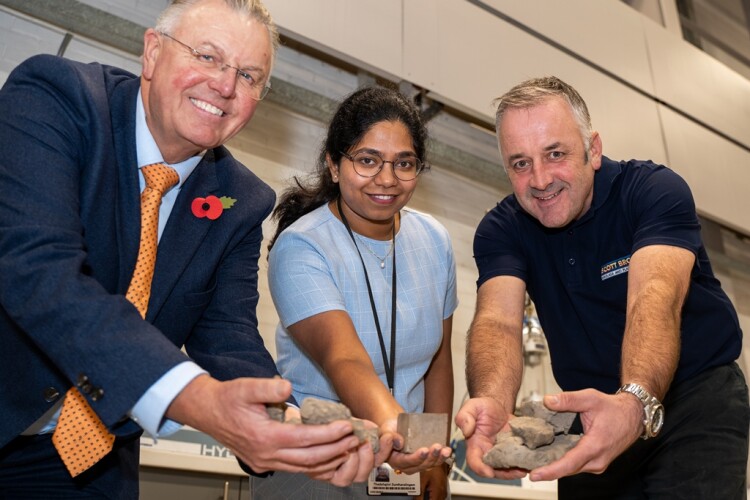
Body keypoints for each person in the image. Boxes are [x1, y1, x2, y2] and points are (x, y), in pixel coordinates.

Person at [0, 0, 376, 497]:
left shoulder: (242, 199)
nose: (224, 85)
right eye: (207, 56)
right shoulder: (55, 98)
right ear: (153, 53)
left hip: (93, 461)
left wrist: (284, 426)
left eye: (248, 75)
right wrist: (195, 398)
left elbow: (226, 336)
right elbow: (40, 274)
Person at [455, 76, 749, 499]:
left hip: (693, 400)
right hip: (589, 409)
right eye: (520, 163)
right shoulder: (502, 229)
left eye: (555, 154)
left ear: (593, 149)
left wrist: (634, 403)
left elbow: (655, 299)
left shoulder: (652, 191)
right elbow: (498, 321)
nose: (539, 180)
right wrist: (494, 403)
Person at [250, 86, 457, 499]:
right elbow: (344, 358)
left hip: (405, 465)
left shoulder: (434, 240)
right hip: (319, 463)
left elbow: (439, 358)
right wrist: (402, 440)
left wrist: (434, 459)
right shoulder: (302, 246)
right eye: (367, 160)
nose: (386, 179)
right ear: (333, 164)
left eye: (404, 163)